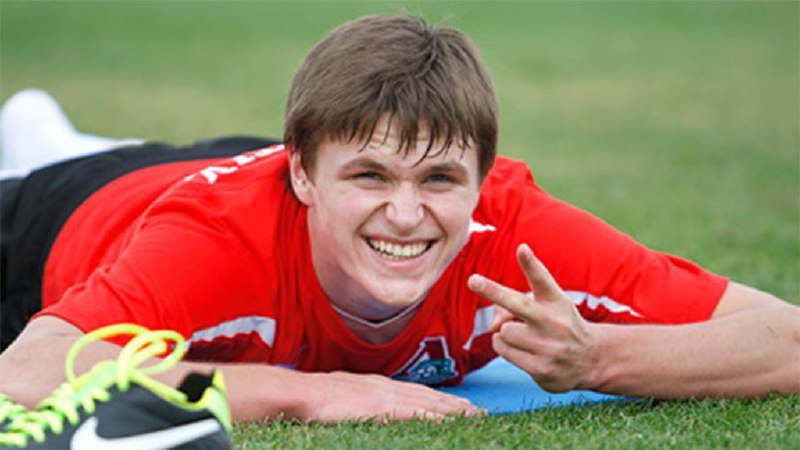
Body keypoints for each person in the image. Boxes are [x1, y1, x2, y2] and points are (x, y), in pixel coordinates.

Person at [0, 15, 797, 423]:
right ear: (302, 174)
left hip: (252, 168)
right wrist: (306, 393)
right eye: (373, 176)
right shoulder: (215, 240)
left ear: (483, 179)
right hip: (60, 215)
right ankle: (37, 137)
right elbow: (29, 375)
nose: (409, 215)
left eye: (441, 178)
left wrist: (600, 356)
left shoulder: (513, 230)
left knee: (357, 170)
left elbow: (785, 340)